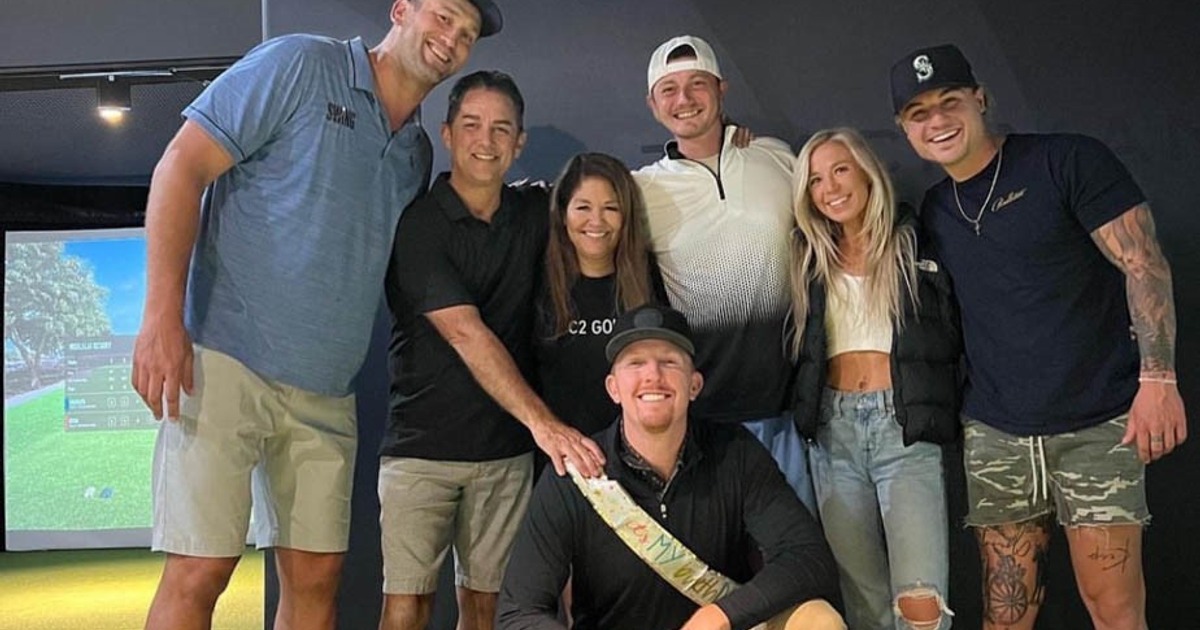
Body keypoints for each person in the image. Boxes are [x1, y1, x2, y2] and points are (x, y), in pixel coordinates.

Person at [130, 1, 501, 629]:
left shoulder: (414, 151)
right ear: (402, 9)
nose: (451, 39)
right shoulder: (301, 63)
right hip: (223, 361)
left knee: (317, 580)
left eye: (465, 35)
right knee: (201, 570)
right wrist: (161, 318)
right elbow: (182, 165)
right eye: (442, 17)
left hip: (327, 393)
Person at [890, 44, 1187, 629]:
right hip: (997, 431)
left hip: (1098, 423)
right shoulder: (935, 209)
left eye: (950, 102)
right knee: (1005, 614)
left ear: (981, 100)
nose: (938, 121)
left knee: (1114, 605)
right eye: (919, 113)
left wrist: (1159, 378)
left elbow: (1145, 265)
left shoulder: (1066, 161)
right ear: (904, 129)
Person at [379, 70, 605, 630]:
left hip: (502, 456)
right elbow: (465, 332)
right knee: (404, 610)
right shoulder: (419, 226)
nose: (487, 140)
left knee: (488, 609)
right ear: (448, 133)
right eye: (473, 125)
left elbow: (600, 203)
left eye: (502, 128)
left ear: (519, 142)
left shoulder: (534, 214)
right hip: (421, 452)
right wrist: (545, 425)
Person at [497, 304, 845, 630]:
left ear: (694, 385)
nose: (653, 376)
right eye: (635, 363)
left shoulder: (735, 453)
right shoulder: (575, 478)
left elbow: (808, 558)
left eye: (669, 362)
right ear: (613, 388)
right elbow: (518, 613)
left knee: (818, 620)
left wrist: (718, 615)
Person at [632, 35, 815, 512]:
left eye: (697, 84)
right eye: (668, 89)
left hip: (793, 414)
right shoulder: (642, 189)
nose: (684, 99)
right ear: (653, 106)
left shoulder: (777, 157)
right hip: (704, 421)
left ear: (722, 89)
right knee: (717, 576)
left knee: (802, 566)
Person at [789, 128, 961, 630]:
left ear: (867, 172)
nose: (830, 187)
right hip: (833, 431)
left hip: (904, 427)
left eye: (840, 169)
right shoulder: (807, 255)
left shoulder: (917, 239)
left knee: (922, 600)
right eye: (816, 179)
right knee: (862, 601)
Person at [536, 152, 667, 438]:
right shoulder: (537, 280)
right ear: (562, 213)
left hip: (633, 455)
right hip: (558, 459)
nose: (596, 221)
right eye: (583, 207)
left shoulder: (648, 278)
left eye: (611, 208)